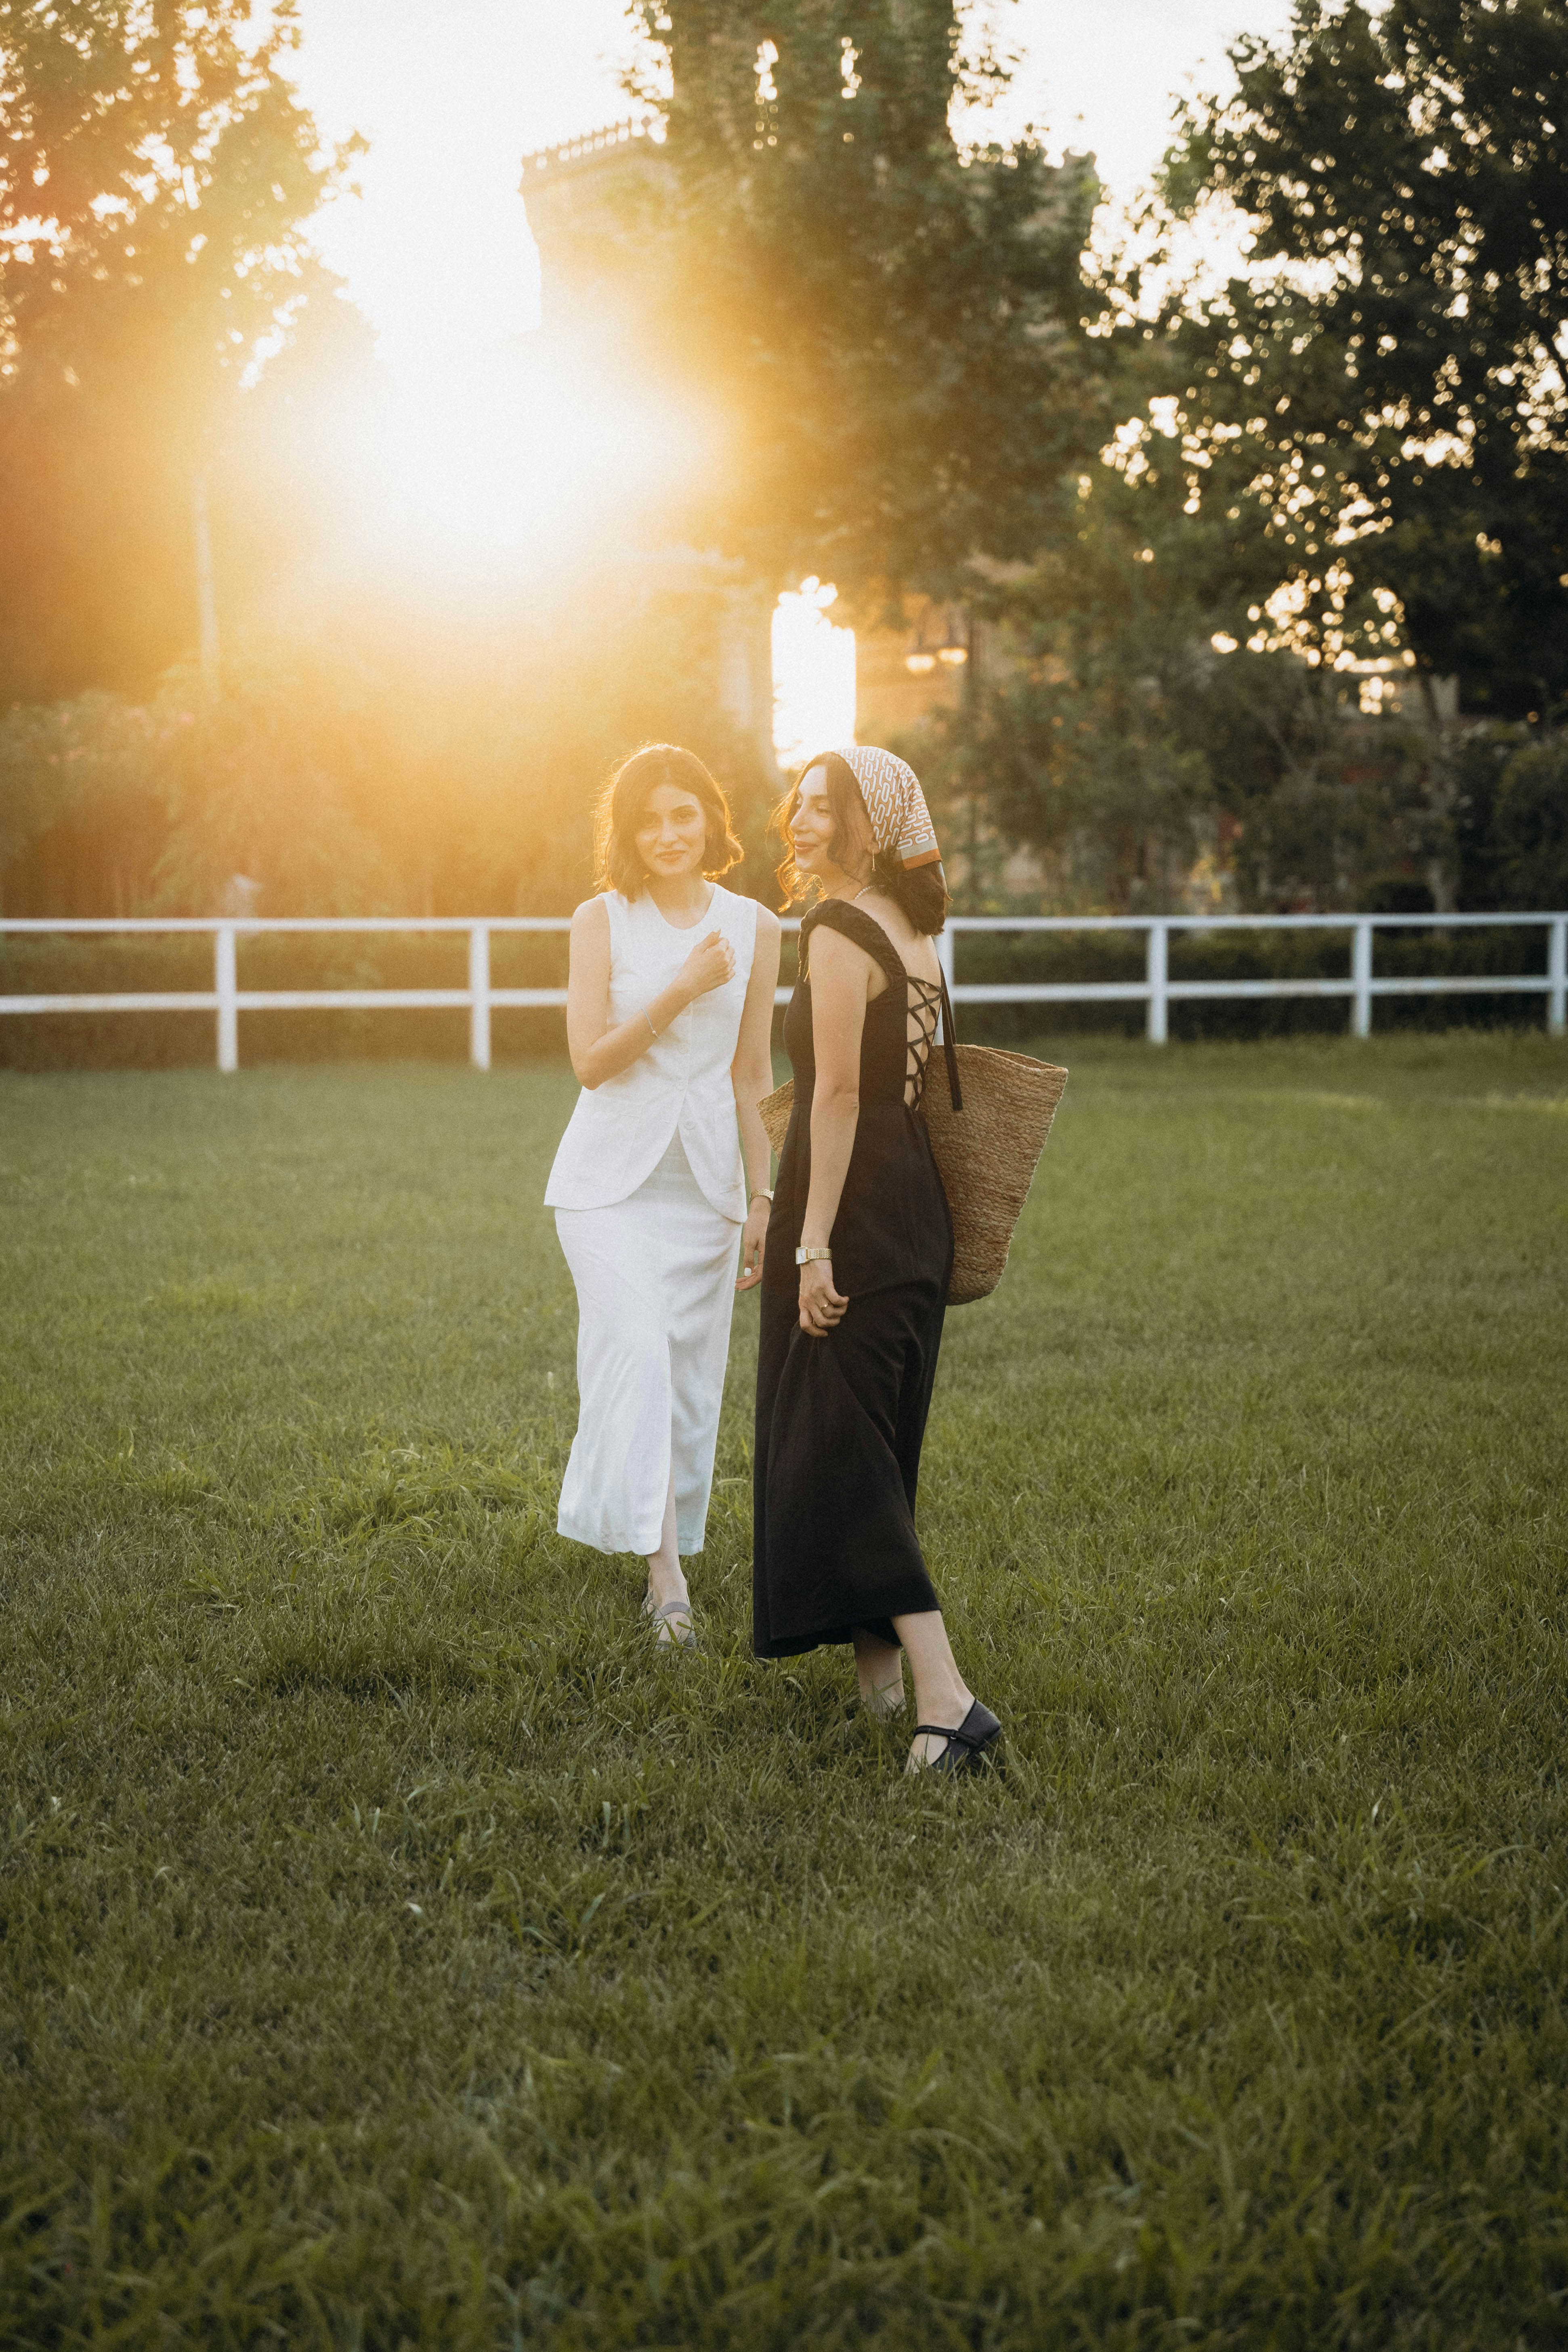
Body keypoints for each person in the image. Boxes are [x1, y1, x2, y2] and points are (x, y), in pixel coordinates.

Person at [751, 746, 1001, 1773]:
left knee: (839, 1453)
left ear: (871, 825)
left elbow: (841, 1097)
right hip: (916, 1208)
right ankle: (877, 1687)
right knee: (874, 1442)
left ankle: (947, 1703)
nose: (801, 822)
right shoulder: (919, 928)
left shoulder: (837, 928)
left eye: (825, 809)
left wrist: (810, 1243)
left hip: (850, 1205)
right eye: (799, 805)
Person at [546, 744, 781, 1646]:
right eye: (648, 820)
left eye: (683, 814)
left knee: (686, 1382)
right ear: (628, 836)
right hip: (606, 1184)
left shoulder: (757, 925)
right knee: (638, 1352)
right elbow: (591, 1063)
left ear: (710, 821)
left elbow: (753, 1068)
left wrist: (762, 1197)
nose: (667, 834)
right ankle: (665, 1579)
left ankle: (651, 1527)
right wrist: (682, 988)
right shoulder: (600, 920)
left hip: (708, 1188)